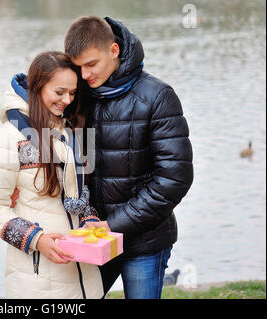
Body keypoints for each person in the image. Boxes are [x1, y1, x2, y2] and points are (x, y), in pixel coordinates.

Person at [64, 16, 194, 299]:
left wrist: (113, 225)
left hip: (145, 242)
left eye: (91, 64)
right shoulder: (77, 96)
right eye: (78, 67)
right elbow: (38, 117)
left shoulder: (158, 96)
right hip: (91, 238)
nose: (84, 75)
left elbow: (174, 178)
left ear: (114, 51)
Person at [0, 51, 104, 299]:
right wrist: (38, 240)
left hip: (85, 280)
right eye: (59, 92)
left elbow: (78, 195)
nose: (67, 100)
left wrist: (89, 219)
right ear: (37, 87)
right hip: (38, 279)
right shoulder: (7, 137)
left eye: (72, 92)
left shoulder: (68, 131)